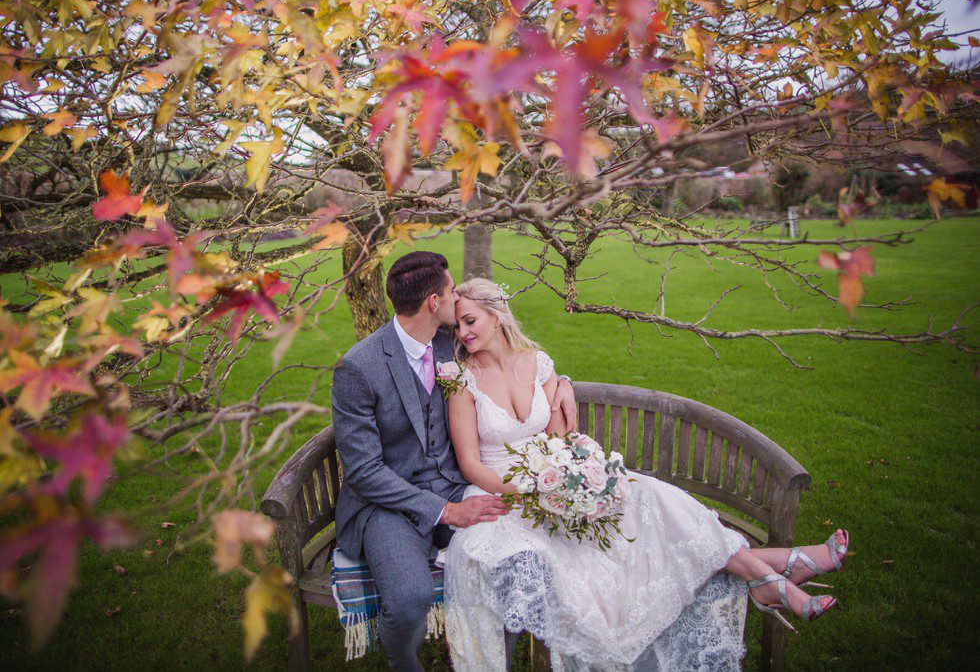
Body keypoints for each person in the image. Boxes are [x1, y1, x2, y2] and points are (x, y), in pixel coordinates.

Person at [443, 277, 850, 671]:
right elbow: (471, 464)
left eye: (470, 320)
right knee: (603, 559)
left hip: (553, 487)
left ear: (497, 315)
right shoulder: (463, 380)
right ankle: (775, 569)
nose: (462, 332)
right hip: (503, 498)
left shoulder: (537, 364)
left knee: (650, 494)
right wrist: (528, 491)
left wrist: (573, 478)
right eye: (457, 324)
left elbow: (560, 439)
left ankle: (764, 573)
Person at [330, 252, 578, 671]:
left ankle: (495, 658)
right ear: (433, 302)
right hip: (388, 505)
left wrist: (565, 383)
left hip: (459, 485)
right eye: (450, 291)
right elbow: (364, 473)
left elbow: (514, 358)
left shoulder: (451, 340)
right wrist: (446, 511)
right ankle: (405, 665)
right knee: (410, 599)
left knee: (514, 563)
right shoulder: (359, 368)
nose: (457, 298)